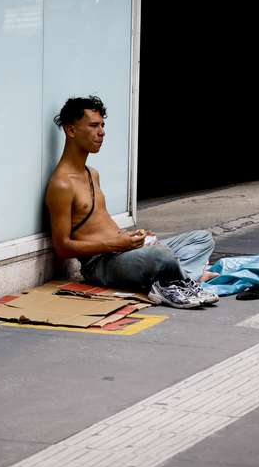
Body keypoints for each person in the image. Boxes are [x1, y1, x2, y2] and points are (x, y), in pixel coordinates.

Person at [45, 96, 220, 309]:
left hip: (123, 250)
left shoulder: (92, 174)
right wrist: (116, 244)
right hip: (101, 264)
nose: (101, 132)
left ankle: (174, 279)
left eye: (102, 125)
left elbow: (101, 224)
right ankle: (181, 279)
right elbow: (62, 247)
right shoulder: (62, 184)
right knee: (160, 255)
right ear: (71, 130)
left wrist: (133, 238)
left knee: (202, 239)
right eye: (93, 126)